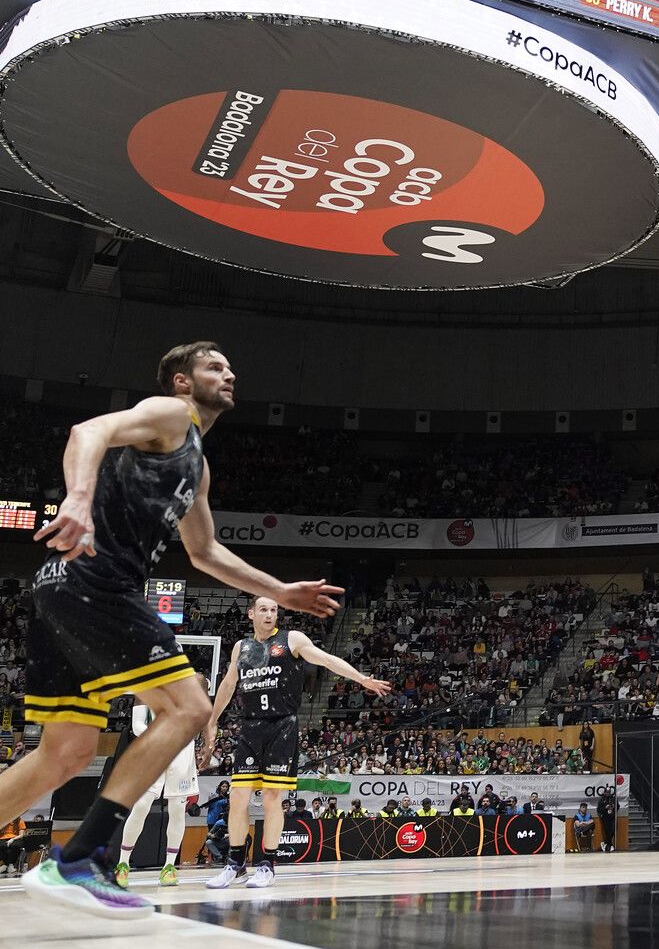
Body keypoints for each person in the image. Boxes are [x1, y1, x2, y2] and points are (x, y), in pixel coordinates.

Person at [0, 342, 344, 918]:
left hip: (61, 589)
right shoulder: (169, 413)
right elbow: (88, 431)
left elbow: (205, 551)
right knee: (189, 707)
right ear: (182, 381)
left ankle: (79, 860)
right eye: (214, 366)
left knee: (65, 753)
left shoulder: (197, 464)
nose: (229, 373)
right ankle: (81, 860)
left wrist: (281, 591)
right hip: (97, 582)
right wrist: (78, 499)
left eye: (229, 366)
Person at [203, 596, 390, 889]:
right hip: (251, 727)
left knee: (271, 798)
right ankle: (235, 865)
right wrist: (213, 721)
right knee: (237, 797)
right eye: (263, 609)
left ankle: (267, 865)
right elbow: (228, 684)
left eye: (273, 610)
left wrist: (360, 678)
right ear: (251, 613)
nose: (269, 614)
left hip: (282, 726)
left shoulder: (292, 640)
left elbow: (326, 659)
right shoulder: (242, 647)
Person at [113, 696, 201, 887]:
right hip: (154, 749)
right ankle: (123, 864)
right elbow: (137, 724)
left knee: (177, 810)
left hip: (182, 751)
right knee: (141, 806)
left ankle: (169, 867)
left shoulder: (194, 684)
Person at [597, 787, 617, 852]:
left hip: (612, 816)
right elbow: (599, 809)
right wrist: (605, 808)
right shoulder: (601, 799)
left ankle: (605, 842)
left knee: (613, 830)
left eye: (609, 792)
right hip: (605, 817)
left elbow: (618, 806)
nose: (608, 793)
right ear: (604, 792)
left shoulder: (613, 798)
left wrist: (613, 806)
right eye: (607, 792)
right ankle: (609, 845)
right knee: (608, 832)